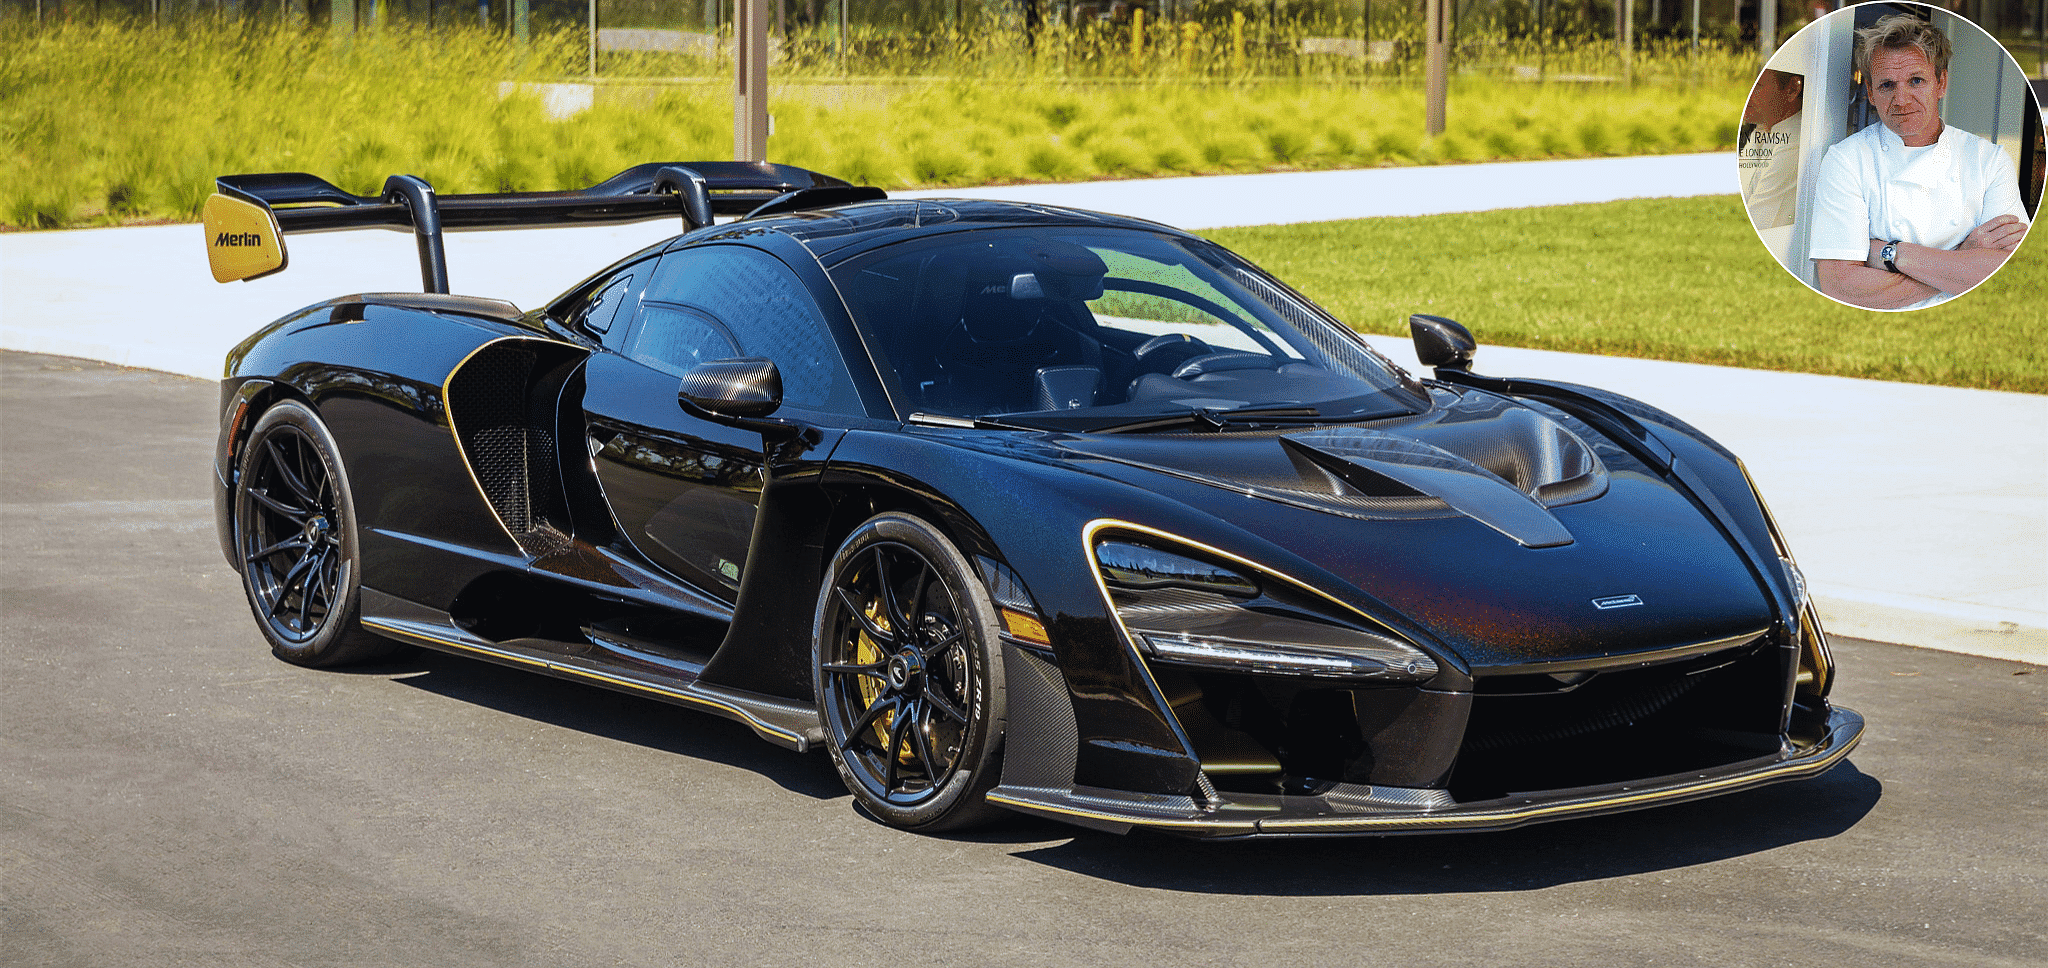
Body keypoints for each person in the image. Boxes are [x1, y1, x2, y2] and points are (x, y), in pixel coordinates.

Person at [1808, 13, 2029, 310]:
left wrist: (1889, 253)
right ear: (1871, 93)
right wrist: (1961, 257)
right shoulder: (1846, 160)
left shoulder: (1989, 161)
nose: (1901, 99)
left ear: (1941, 83)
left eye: (1916, 80)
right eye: (1887, 85)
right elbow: (1840, 286)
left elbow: (2005, 270)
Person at [1741, 69, 1805, 231]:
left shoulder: (1796, 139)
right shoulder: (1763, 128)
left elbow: (1757, 221)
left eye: (1757, 87)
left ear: (1792, 89)